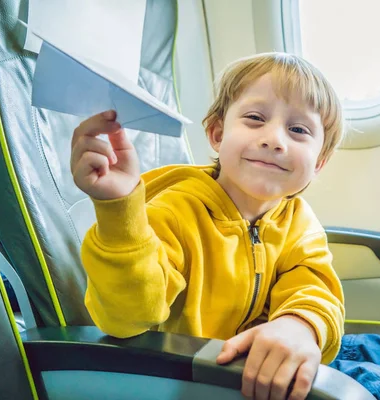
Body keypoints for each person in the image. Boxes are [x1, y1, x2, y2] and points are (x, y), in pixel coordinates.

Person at [71, 52, 345, 400]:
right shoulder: (176, 210)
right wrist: (119, 212)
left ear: (319, 162)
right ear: (217, 134)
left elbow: (315, 287)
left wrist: (300, 325)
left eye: (298, 130)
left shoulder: (298, 222)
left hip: (267, 369)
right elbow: (127, 316)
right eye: (255, 118)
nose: (275, 139)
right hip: (199, 381)